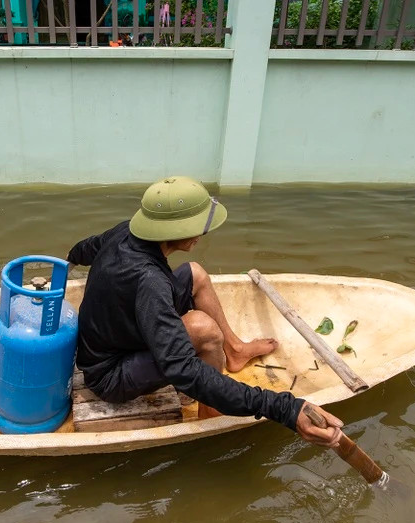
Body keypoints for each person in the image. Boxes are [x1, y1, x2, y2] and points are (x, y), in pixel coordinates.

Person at [66, 176, 344, 447]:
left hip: (121, 339)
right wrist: (285, 408)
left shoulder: (125, 231)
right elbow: (182, 368)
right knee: (204, 330)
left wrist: (69, 260)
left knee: (195, 273)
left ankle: (234, 350)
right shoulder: (150, 281)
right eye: (198, 226)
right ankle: (210, 409)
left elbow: (86, 248)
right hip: (110, 376)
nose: (202, 234)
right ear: (174, 230)